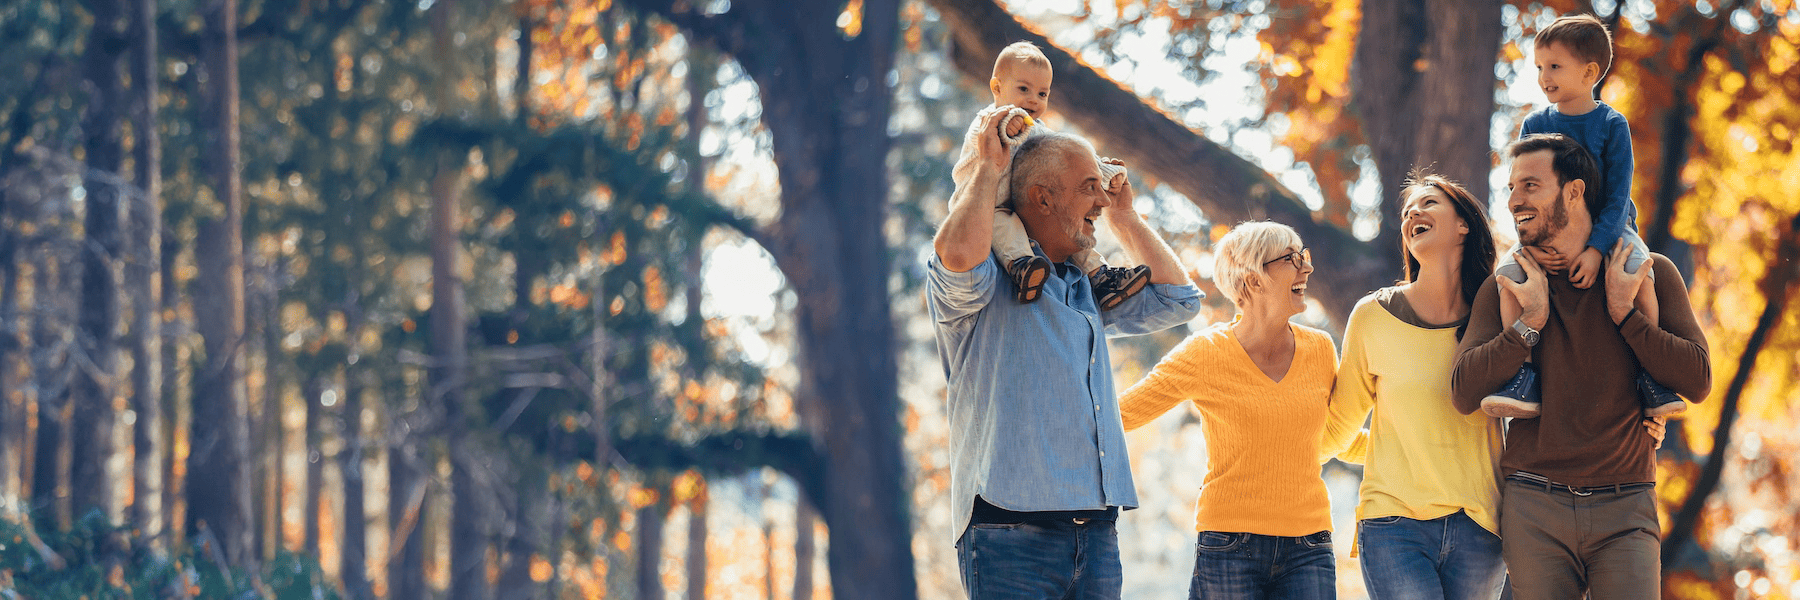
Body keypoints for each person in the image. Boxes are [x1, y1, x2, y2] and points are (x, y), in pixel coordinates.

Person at [928, 121, 1202, 599]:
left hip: (1096, 534)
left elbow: (1179, 300)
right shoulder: (986, 278)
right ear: (1043, 198)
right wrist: (990, 169)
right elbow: (953, 255)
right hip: (1008, 532)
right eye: (1088, 188)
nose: (1101, 199)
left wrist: (1127, 219)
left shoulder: (1086, 288)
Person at [1451, 134, 1710, 600]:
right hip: (1534, 506)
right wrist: (1527, 324)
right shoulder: (1509, 287)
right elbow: (1464, 390)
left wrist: (1626, 315)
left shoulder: (1648, 274)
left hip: (1626, 504)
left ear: (1574, 190)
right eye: (1511, 188)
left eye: (1530, 185)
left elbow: (1698, 379)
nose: (1514, 201)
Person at [1118, 221, 1355, 600]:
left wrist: (1398, 448)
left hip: (1309, 547)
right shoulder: (1205, 353)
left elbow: (1334, 437)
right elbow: (1123, 414)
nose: (1306, 267)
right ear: (1254, 280)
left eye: (1304, 256)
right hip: (1230, 546)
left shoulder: (1321, 350)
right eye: (1292, 259)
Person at [1483, 13, 1685, 419]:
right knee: (1508, 278)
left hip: (1612, 228)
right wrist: (1530, 246)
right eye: (1539, 67)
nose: (1544, 77)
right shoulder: (1536, 124)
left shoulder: (1612, 125)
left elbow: (1617, 196)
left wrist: (1596, 250)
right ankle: (1522, 377)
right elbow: (1524, 188)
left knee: (1641, 271)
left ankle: (1651, 376)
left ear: (1589, 71)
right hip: (1547, 232)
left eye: (1554, 66)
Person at [1318, 172, 1506, 599]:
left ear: (1464, 226)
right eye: (1407, 211)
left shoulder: (1497, 316)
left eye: (1429, 203)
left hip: (1481, 525)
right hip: (1393, 523)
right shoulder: (1372, 316)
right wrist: (1268, 456)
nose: (1413, 214)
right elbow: (1338, 428)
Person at [951, 41, 1151, 309]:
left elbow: (1068, 160)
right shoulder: (989, 120)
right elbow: (991, 138)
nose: (1034, 99)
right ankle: (1022, 267)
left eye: (1042, 94)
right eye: (1024, 89)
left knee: (1069, 223)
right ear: (997, 88)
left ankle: (1101, 278)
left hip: (1020, 203)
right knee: (1003, 223)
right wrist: (1006, 128)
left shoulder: (1038, 129)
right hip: (984, 204)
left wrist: (1104, 173)